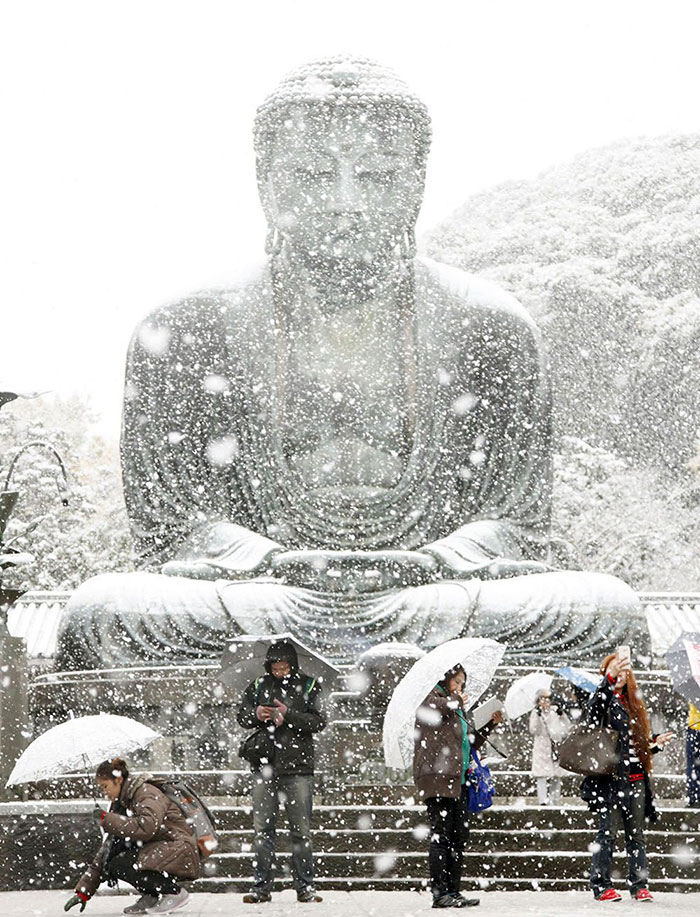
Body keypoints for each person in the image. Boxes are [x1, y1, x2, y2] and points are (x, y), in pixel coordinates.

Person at [56, 56, 650, 673]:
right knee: (102, 614)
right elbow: (170, 527)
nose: (345, 203)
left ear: (416, 183)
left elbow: (519, 524)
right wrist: (268, 561)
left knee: (606, 611)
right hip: (262, 595)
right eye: (313, 173)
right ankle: (371, 659)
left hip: (433, 594)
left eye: (376, 175)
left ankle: (333, 656)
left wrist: (438, 560)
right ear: (267, 183)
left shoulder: (489, 324)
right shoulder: (186, 327)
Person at [236, 639, 326, 903]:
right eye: (275, 666)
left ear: (292, 664)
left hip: (298, 768)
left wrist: (290, 715)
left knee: (301, 831)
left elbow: (319, 721)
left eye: (283, 665)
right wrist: (257, 714)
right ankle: (261, 887)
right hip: (265, 765)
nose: (279, 670)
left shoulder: (309, 685)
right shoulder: (257, 686)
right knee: (263, 830)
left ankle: (305, 886)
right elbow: (241, 717)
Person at [581, 652, 674, 902]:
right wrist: (609, 681)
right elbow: (594, 711)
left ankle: (639, 884)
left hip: (635, 780)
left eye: (623, 669)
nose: (620, 673)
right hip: (611, 780)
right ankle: (601, 885)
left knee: (637, 836)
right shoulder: (602, 700)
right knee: (607, 834)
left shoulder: (633, 703)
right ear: (606, 674)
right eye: (614, 669)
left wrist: (654, 743)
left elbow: (635, 747)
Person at [413, 663, 502, 908]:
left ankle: (454, 890)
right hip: (438, 778)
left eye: (462, 683)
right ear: (446, 679)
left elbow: (468, 743)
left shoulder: (455, 707)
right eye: (457, 681)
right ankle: (440, 892)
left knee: (459, 836)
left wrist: (489, 725)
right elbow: (437, 710)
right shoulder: (430, 698)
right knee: (441, 836)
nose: (460, 687)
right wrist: (455, 700)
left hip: (460, 779)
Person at [64, 757, 199, 915]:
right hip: (160, 848)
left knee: (122, 863)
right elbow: (107, 848)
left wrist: (107, 819)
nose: (104, 792)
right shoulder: (123, 802)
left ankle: (174, 893)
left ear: (119, 780)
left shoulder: (145, 793)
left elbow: (147, 826)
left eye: (105, 786)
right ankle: (151, 896)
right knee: (114, 860)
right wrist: (84, 892)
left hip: (178, 847)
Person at [528, 689, 571, 805]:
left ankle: (554, 800)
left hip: (555, 746)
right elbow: (533, 730)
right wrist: (537, 716)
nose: (545, 702)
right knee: (541, 775)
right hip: (542, 747)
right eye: (542, 699)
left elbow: (566, 728)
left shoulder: (555, 713)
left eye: (547, 699)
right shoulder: (535, 713)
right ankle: (542, 800)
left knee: (556, 775)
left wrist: (562, 715)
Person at [686, 701, 700, 807]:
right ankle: (694, 796)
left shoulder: (694, 686)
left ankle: (693, 796)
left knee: (692, 765)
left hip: (694, 727)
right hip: (694, 727)